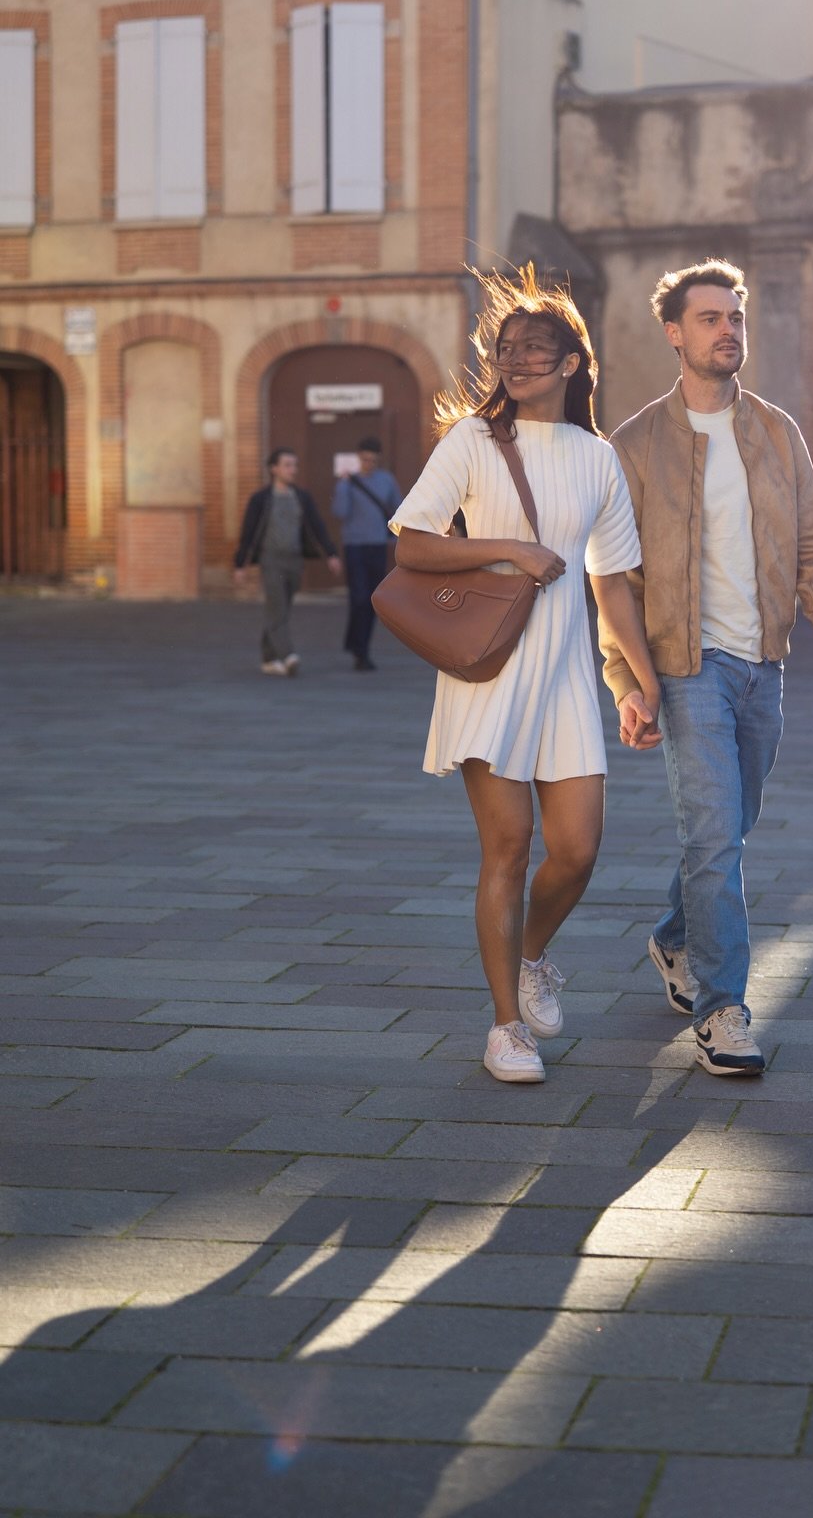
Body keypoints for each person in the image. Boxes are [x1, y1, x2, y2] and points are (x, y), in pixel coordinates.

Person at [390, 267, 663, 1087]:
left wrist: (638, 684)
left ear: (573, 363)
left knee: (577, 851)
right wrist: (509, 550)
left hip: (570, 680)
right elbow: (412, 543)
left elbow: (611, 581)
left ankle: (533, 954)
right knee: (507, 849)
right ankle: (506, 1025)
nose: (516, 362)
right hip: (489, 672)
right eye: (505, 350)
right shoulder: (473, 442)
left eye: (534, 350)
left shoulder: (597, 457)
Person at [598, 259, 813, 1076]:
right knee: (714, 837)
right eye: (710, 318)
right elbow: (615, 579)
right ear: (674, 333)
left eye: (735, 318)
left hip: (764, 664)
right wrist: (630, 683)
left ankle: (676, 937)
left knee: (728, 830)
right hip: (686, 668)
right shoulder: (636, 444)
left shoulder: (777, 433)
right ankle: (723, 1011)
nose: (728, 331)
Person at [233, 448, 341, 676]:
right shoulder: (261, 499)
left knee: (280, 610)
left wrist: (330, 554)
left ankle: (268, 659)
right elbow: (248, 532)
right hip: (270, 559)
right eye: (287, 465)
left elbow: (317, 526)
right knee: (277, 607)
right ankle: (288, 655)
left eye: (294, 465)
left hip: (294, 560)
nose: (293, 470)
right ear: (274, 469)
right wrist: (240, 564)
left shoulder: (302, 497)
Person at [333, 436, 401, 672]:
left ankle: (359, 646)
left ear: (378, 459)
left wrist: (394, 538)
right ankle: (359, 650)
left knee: (371, 599)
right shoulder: (348, 483)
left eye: (372, 460)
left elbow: (397, 509)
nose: (368, 464)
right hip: (354, 546)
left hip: (377, 546)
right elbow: (340, 512)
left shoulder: (386, 480)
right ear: (358, 457)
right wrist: (343, 486)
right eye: (364, 459)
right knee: (358, 597)